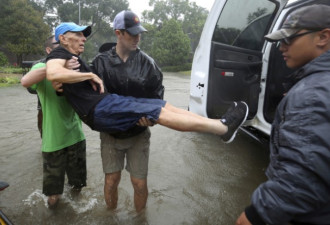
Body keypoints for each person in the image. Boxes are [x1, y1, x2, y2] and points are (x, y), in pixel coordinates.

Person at [45, 22, 249, 211]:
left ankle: (220, 124)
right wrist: (89, 75)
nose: (83, 39)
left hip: (111, 107)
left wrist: (69, 79)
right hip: (101, 110)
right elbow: (52, 74)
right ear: (63, 38)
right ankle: (222, 129)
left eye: (84, 35)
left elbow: (63, 87)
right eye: (78, 35)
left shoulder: (141, 63)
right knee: (114, 177)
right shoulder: (61, 54)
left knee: (160, 105)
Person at [236, 4, 330, 225]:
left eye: (288, 39)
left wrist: (254, 216)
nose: (281, 48)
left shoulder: (312, 94)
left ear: (323, 37)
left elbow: (301, 181)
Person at [90, 10, 165, 212]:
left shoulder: (149, 65)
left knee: (139, 183)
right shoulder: (99, 63)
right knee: (111, 181)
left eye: (139, 33)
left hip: (138, 133)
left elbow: (157, 99)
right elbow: (90, 98)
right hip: (111, 134)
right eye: (132, 33)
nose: (137, 38)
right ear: (118, 33)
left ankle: (140, 219)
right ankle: (111, 216)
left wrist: (151, 120)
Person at [21, 35, 87, 209]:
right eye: (58, 49)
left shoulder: (76, 65)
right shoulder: (41, 67)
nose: (64, 53)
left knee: (78, 185)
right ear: (50, 52)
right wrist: (55, 66)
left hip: (76, 136)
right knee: (53, 196)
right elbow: (25, 81)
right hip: (53, 142)